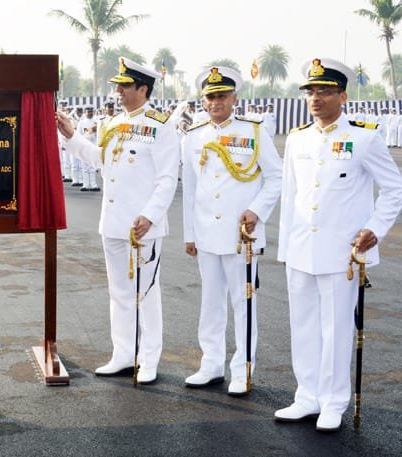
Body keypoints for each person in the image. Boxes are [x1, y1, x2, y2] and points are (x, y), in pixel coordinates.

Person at [276, 58, 402, 431]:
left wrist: (375, 228)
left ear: (342, 96)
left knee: (336, 328)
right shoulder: (297, 138)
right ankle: (306, 396)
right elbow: (290, 197)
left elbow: (393, 188)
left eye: (325, 92)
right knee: (303, 326)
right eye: (312, 92)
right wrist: (285, 249)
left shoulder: (364, 136)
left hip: (342, 252)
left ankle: (333, 402)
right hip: (301, 248)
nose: (316, 98)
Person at [57, 57, 179, 383]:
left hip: (143, 227)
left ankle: (149, 358)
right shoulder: (111, 124)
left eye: (125, 86)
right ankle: (123, 353)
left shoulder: (160, 127)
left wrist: (150, 216)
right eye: (118, 86)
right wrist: (71, 137)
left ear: (143, 88)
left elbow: (167, 179)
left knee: (146, 294)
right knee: (119, 292)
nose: (119, 91)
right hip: (112, 223)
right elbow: (99, 160)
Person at [181, 66, 282, 395]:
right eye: (210, 96)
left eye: (222, 95)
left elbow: (276, 177)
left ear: (234, 98)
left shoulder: (253, 132)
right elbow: (191, 189)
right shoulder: (194, 136)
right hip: (207, 233)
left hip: (243, 236)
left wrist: (257, 210)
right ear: (203, 100)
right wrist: (189, 234)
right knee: (210, 302)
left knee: (244, 302)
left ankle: (242, 369)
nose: (215, 102)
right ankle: (211, 363)